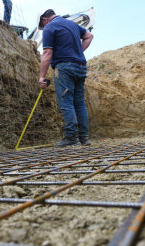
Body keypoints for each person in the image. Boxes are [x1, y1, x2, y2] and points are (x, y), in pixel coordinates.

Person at [38, 9, 94, 147]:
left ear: (45, 19)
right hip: (80, 66)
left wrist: (41, 76)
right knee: (79, 103)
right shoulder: (72, 24)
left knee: (66, 103)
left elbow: (47, 53)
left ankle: (71, 138)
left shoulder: (50, 27)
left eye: (43, 26)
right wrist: (78, 52)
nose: (44, 29)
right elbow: (89, 36)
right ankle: (84, 138)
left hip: (64, 68)